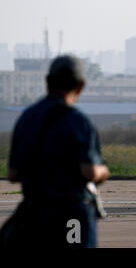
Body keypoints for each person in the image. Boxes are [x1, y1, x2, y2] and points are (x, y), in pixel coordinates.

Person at [0, 55, 109, 249]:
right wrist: (103, 171)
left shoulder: (27, 119)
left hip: (35, 214)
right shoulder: (78, 121)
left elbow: (13, 174)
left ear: (48, 81)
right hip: (72, 216)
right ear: (80, 86)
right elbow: (89, 173)